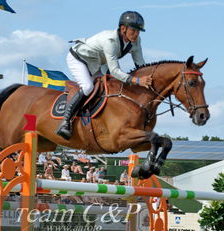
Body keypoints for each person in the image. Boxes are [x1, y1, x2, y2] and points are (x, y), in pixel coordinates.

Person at [56, 11, 153, 140]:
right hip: (79, 59)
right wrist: (136, 80)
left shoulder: (135, 41)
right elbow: (114, 70)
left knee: (111, 87)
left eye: (138, 31)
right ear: (123, 28)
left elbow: (141, 65)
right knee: (88, 87)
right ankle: (65, 122)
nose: (136, 34)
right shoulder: (110, 41)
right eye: (133, 31)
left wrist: (150, 79)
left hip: (97, 64)